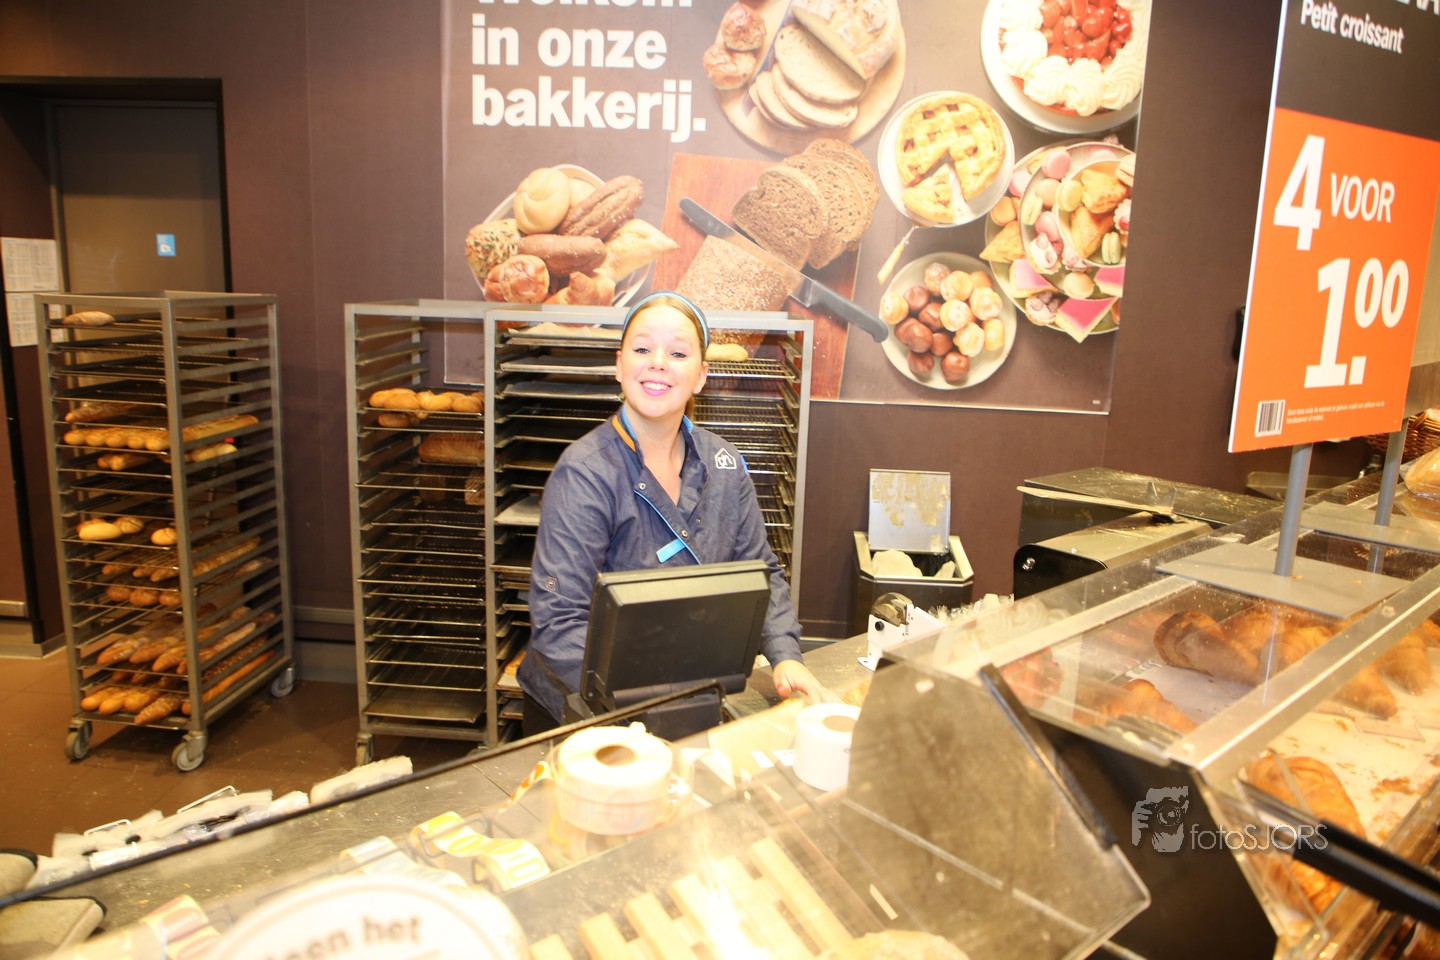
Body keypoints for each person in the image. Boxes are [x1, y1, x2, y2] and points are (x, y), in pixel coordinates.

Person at [519, 291, 825, 734]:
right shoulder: (586, 472)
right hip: (586, 712)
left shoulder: (724, 464)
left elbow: (760, 571)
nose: (658, 363)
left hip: (684, 695)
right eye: (643, 349)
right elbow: (560, 622)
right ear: (619, 365)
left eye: (678, 353)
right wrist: (649, 698)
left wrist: (785, 655)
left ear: (700, 376)